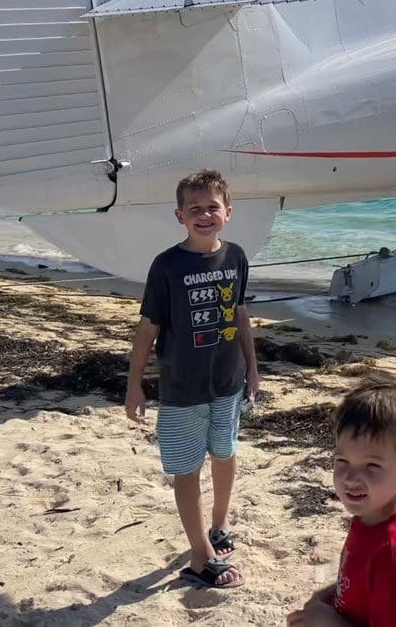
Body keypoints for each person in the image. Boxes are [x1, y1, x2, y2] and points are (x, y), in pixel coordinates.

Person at [124, 168, 259, 590]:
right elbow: (148, 328)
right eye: (194, 208)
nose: (204, 215)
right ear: (179, 215)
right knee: (187, 469)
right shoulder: (167, 266)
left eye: (212, 207)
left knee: (225, 452)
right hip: (182, 387)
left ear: (228, 213)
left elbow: (239, 314)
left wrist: (252, 367)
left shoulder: (235, 257)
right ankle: (200, 558)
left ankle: (219, 527)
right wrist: (135, 384)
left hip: (228, 381)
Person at [287, 375, 396, 627]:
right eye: (342, 461)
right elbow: (365, 579)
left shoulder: (395, 556)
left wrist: (329, 621)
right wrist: (330, 595)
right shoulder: (382, 507)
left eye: (372, 465)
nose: (351, 478)